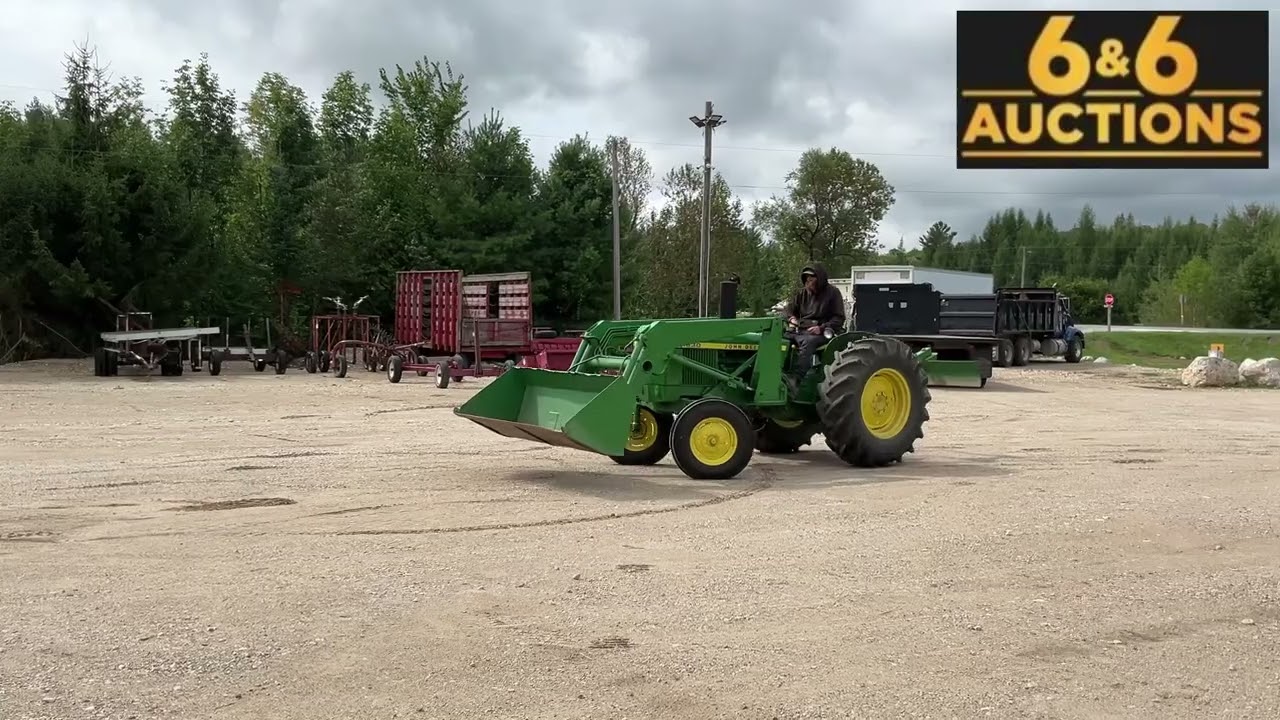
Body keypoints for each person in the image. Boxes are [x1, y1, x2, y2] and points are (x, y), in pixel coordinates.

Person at [780, 263, 846, 382]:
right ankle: (779, 372)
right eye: (807, 279)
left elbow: (839, 318)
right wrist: (791, 318)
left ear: (819, 279)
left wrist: (821, 328)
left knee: (808, 342)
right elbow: (787, 309)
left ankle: (796, 378)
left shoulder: (833, 292)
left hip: (823, 331)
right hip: (801, 330)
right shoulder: (802, 293)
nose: (808, 281)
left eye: (811, 279)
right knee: (779, 338)